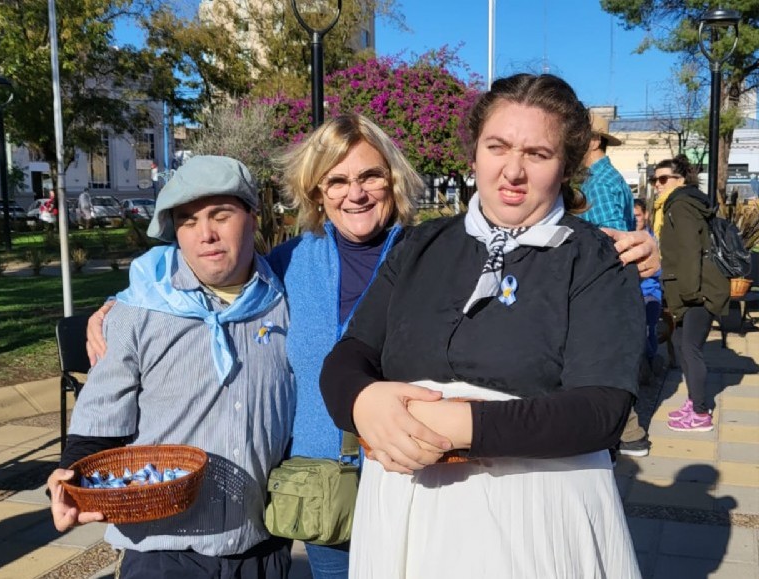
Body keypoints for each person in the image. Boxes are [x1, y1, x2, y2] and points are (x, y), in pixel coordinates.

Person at [86, 115, 661, 578]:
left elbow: (528, 254)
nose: (354, 193)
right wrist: (124, 300)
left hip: (430, 478)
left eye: (369, 176)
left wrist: (634, 250)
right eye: (335, 181)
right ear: (317, 192)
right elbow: (208, 268)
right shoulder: (289, 264)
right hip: (326, 488)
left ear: (393, 178)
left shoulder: (431, 252)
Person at [319, 73, 643, 578]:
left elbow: (601, 409)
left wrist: (462, 425)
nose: (513, 170)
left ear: (565, 166)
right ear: (474, 153)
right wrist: (362, 401)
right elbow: (352, 352)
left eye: (537, 154)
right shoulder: (418, 246)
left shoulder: (597, 258)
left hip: (532, 514)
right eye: (497, 146)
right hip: (408, 510)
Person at [47, 155, 295, 579]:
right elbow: (101, 419)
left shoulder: (289, 302)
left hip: (262, 544)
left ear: (253, 217)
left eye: (221, 214)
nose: (207, 234)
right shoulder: (137, 312)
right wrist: (67, 478)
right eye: (188, 220)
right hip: (164, 551)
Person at [580, 112, 648, 457]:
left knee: (601, 364)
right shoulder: (605, 178)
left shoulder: (599, 182)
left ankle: (628, 433)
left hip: (601, 288)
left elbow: (608, 238)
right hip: (609, 287)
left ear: (593, 141)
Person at [657, 154, 729, 432]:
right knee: (680, 342)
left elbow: (689, 251)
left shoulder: (681, 205)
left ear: (680, 179)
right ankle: (693, 401)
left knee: (690, 348)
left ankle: (700, 413)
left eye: (663, 179)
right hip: (692, 288)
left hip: (698, 290)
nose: (657, 184)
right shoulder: (679, 204)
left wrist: (688, 294)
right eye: (655, 179)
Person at [579, 112, 636, 231]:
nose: (573, 145)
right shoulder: (612, 177)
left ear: (594, 141)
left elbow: (611, 238)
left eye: (578, 138)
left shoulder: (598, 183)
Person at [634, 198, 663, 376]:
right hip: (630, 293)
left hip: (649, 292)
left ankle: (651, 359)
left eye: (637, 215)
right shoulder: (627, 237)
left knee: (647, 328)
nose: (635, 218)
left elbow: (659, 270)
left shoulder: (654, 240)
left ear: (646, 215)